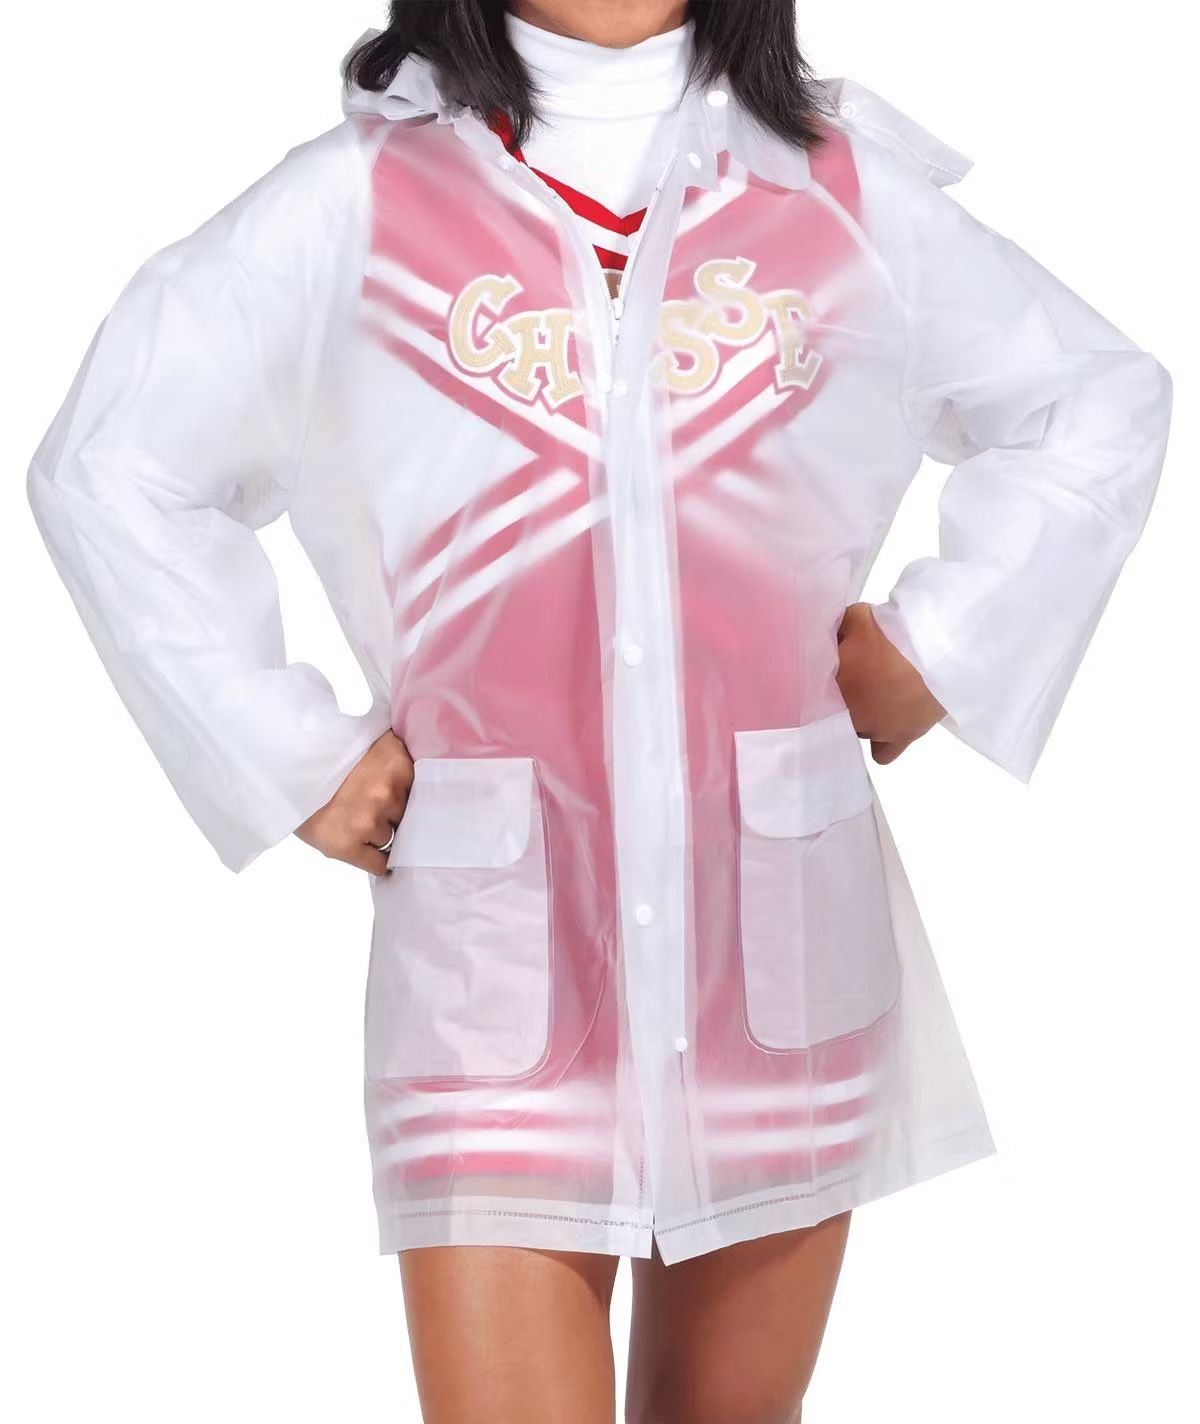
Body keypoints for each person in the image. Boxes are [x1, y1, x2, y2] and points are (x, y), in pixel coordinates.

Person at [27, 1, 1172, 1419]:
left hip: (775, 962)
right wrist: (288, 756)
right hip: (497, 972)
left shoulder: (840, 189)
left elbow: (1095, 401)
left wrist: (941, 645)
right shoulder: (357, 205)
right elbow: (112, 466)